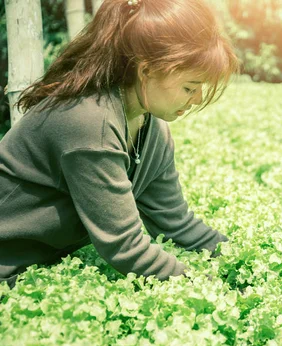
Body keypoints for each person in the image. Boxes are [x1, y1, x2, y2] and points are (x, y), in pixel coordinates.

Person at [0, 0, 239, 289]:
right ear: (147, 71)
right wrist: (207, 287)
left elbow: (177, 224)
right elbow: (126, 248)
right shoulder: (89, 122)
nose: (198, 99)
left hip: (39, 274)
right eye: (189, 87)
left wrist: (241, 260)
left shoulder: (152, 130)